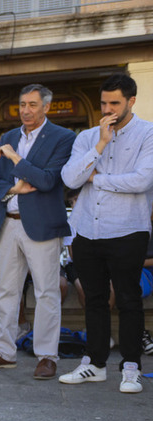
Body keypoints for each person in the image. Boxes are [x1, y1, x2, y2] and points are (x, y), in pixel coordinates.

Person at [0, 84, 75, 380]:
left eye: (32, 104)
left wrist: (17, 160)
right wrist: (12, 189)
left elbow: (46, 180)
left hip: (43, 226)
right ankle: (4, 351)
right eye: (22, 105)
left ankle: (46, 356)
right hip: (9, 223)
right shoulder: (8, 136)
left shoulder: (63, 138)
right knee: (6, 290)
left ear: (46, 107)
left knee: (46, 292)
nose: (26, 110)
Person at [58, 74, 153, 393]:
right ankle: (95, 364)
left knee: (129, 299)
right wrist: (100, 143)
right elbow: (70, 178)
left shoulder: (147, 133)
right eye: (104, 103)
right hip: (86, 230)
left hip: (128, 229)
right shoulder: (87, 137)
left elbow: (142, 180)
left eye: (115, 102)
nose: (108, 108)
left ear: (131, 101)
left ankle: (131, 368)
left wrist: (97, 179)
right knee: (94, 300)